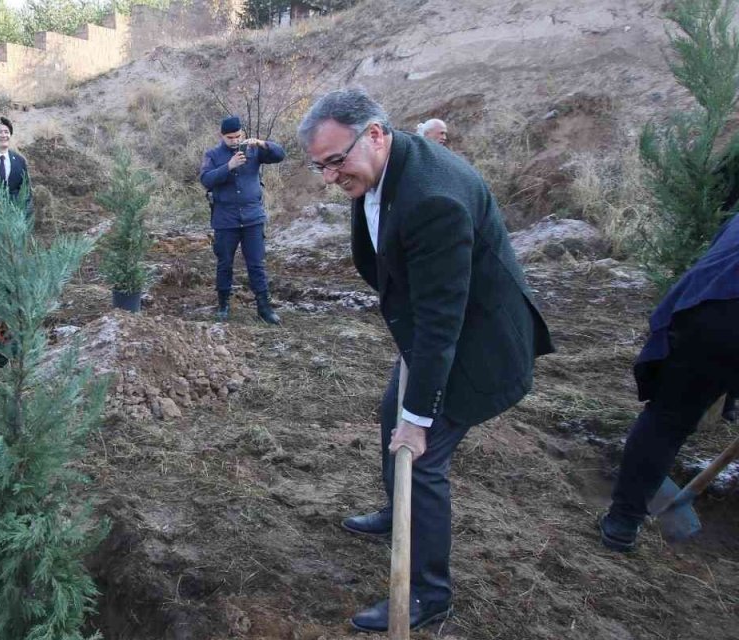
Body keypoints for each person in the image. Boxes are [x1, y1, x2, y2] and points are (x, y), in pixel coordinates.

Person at [296, 88, 553, 632]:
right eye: (318, 167)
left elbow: (444, 322)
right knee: (393, 415)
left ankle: (429, 594)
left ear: (375, 133)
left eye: (335, 162)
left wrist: (421, 421)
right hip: (433, 332)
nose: (328, 178)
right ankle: (399, 512)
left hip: (473, 344)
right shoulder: (384, 167)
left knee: (423, 456)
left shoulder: (433, 197)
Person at [598, 217, 739, 552]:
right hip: (720, 308)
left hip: (711, 311)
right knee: (669, 418)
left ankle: (621, 523)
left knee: (667, 419)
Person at [199, 115, 285, 325]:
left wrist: (262, 143)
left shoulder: (254, 150)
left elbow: (280, 155)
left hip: (252, 218)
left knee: (256, 264)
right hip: (225, 220)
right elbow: (206, 179)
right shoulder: (212, 154)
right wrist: (228, 166)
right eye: (230, 137)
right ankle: (223, 306)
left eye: (238, 136)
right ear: (222, 136)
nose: (235, 140)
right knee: (224, 263)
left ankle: (264, 308)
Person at [0, 115, 32, 219]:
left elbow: (26, 192)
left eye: (6, 132)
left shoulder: (20, 161)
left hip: (14, 222)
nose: (3, 135)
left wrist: (24, 218)